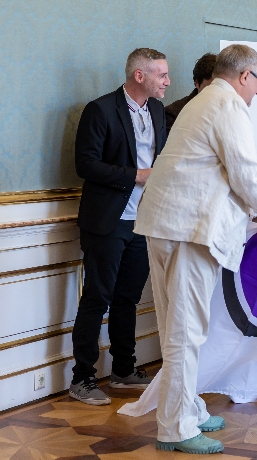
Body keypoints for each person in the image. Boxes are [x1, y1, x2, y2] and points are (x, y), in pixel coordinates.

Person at [135, 44, 257, 454]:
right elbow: (246, 173)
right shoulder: (227, 105)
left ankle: (187, 409)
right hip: (188, 232)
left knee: (180, 328)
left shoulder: (203, 100)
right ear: (245, 76)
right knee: (185, 333)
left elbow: (217, 173)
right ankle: (175, 428)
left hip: (168, 225)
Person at [70, 48, 170, 404]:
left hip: (143, 221)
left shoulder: (157, 111)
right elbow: (85, 164)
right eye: (161, 75)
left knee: (127, 298)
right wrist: (137, 175)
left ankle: (123, 370)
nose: (167, 82)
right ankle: (82, 378)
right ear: (139, 76)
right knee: (97, 298)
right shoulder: (99, 110)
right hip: (107, 221)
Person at [164, 53, 217, 133]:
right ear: (197, 84)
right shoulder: (173, 113)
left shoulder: (230, 107)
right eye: (211, 87)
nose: (217, 92)